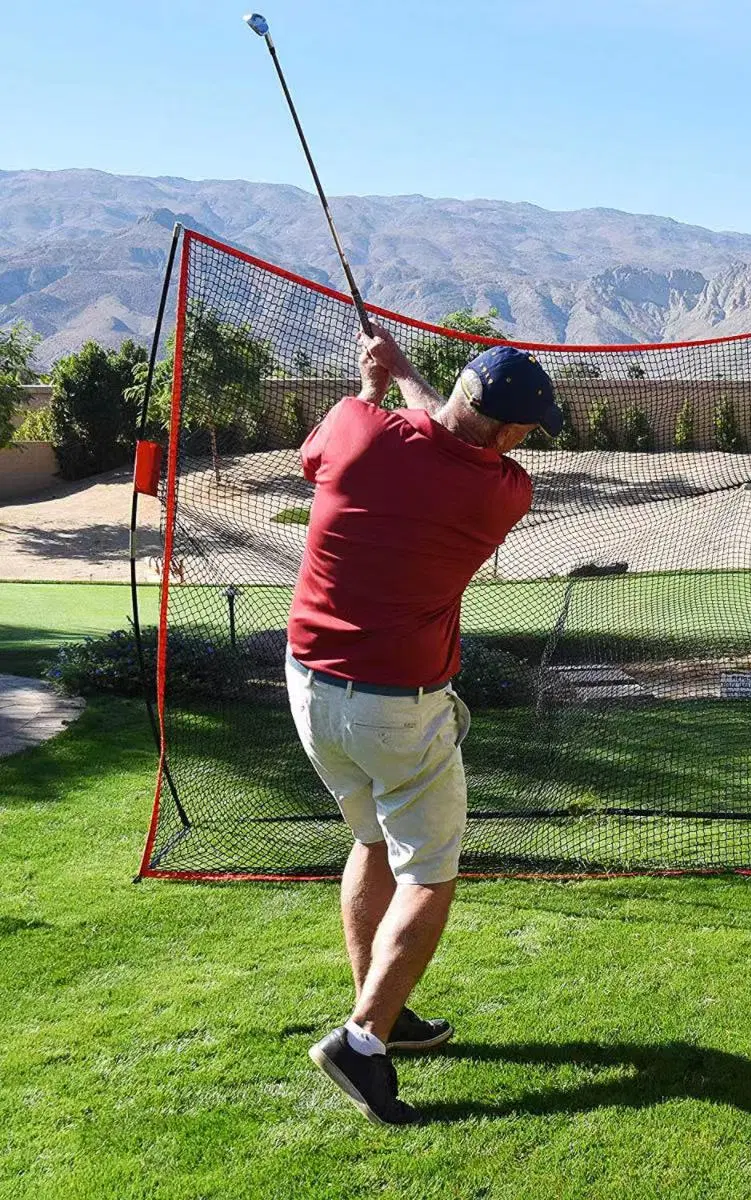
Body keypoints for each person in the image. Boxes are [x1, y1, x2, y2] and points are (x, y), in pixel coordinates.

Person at [286, 323, 562, 1125]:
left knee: (372, 841)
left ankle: (385, 1010)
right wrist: (402, 377)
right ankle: (363, 1042)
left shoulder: (354, 427)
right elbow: (445, 444)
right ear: (509, 435)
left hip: (309, 690)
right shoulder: (502, 493)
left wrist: (379, 383)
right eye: (526, 433)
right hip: (396, 708)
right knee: (430, 873)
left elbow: (351, 446)